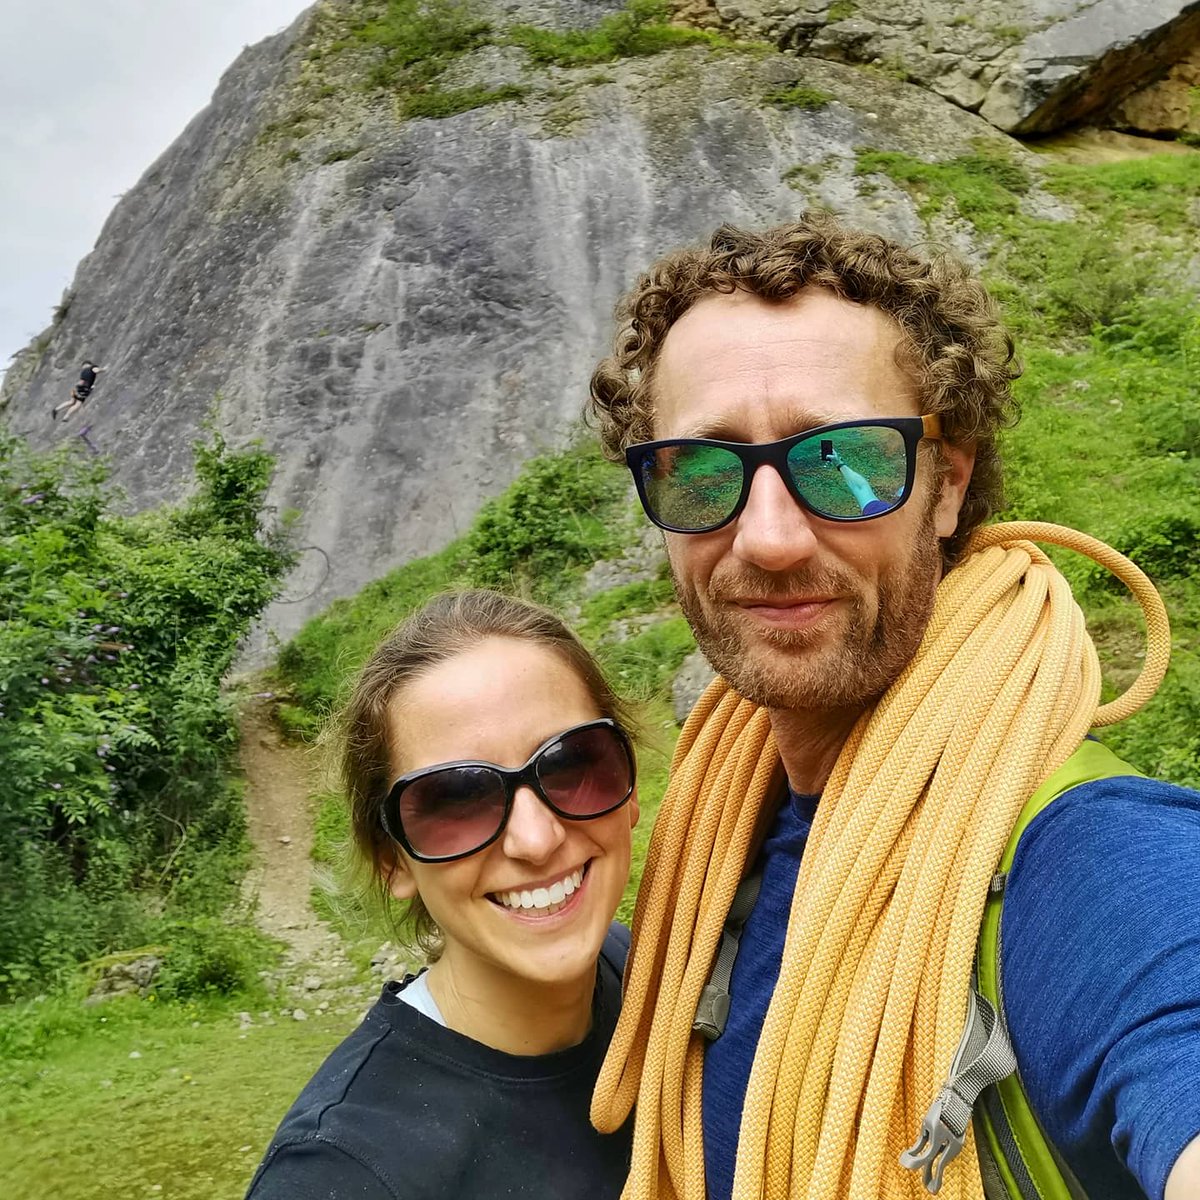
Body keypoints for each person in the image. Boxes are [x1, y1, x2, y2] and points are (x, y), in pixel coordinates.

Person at [585, 215, 1200, 1200]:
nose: (770, 538)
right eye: (700, 471)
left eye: (844, 461)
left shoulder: (1094, 860)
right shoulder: (719, 853)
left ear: (946, 484)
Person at [247, 590, 640, 1200]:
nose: (536, 840)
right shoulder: (341, 1173)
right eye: (456, 799)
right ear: (391, 860)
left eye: (570, 764)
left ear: (628, 785)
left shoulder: (644, 974)